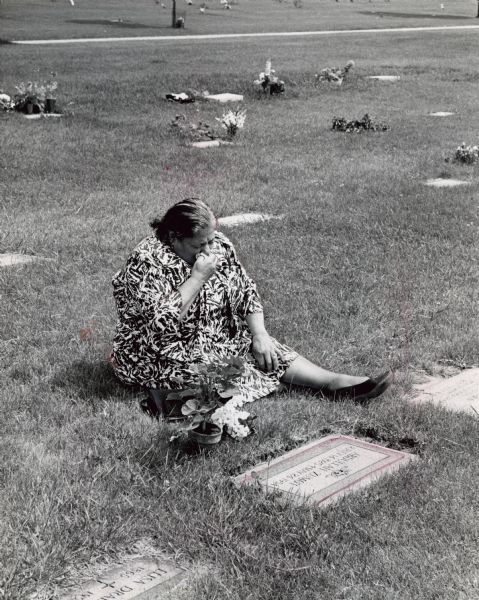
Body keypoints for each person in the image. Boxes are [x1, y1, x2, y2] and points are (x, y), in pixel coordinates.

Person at [111, 198, 391, 407]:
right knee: (212, 372)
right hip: (160, 352)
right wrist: (196, 279)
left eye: (211, 240)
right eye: (200, 245)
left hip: (216, 338)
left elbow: (246, 290)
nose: (210, 250)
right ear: (174, 238)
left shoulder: (217, 244)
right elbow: (161, 325)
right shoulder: (147, 261)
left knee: (263, 349)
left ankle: (333, 382)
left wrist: (259, 334)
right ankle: (271, 385)